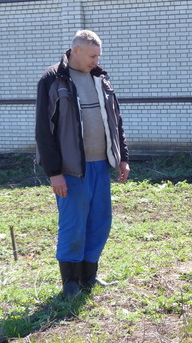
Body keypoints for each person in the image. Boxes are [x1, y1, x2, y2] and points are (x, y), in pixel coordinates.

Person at [35, 30, 130, 299]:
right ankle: (70, 284)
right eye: (92, 55)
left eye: (98, 55)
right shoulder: (52, 80)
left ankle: (89, 277)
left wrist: (123, 157)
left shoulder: (100, 77)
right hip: (71, 170)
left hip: (101, 165)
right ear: (75, 50)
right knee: (73, 225)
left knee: (100, 222)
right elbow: (44, 130)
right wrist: (54, 173)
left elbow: (116, 121)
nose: (96, 60)